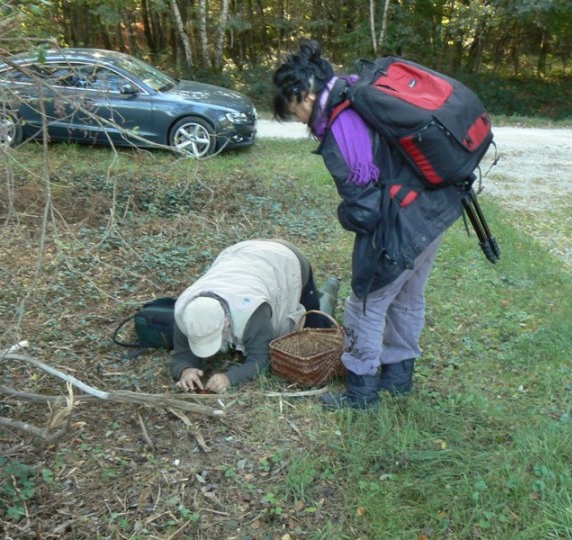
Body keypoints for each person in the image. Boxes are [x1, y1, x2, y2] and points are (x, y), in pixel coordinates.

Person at [272, 40, 465, 409]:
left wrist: (343, 215)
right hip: (436, 206)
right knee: (407, 295)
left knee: (366, 303)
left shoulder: (341, 127)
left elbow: (365, 211)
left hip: (404, 220)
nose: (295, 118)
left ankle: (361, 394)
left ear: (305, 96)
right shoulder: (360, 93)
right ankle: (398, 376)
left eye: (291, 109)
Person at [172, 239, 338, 393]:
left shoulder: (252, 313)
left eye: (215, 337)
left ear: (226, 322)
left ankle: (329, 291)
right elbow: (182, 352)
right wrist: (185, 369)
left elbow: (262, 358)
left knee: (313, 332)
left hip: (285, 258)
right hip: (241, 253)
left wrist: (230, 377)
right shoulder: (186, 312)